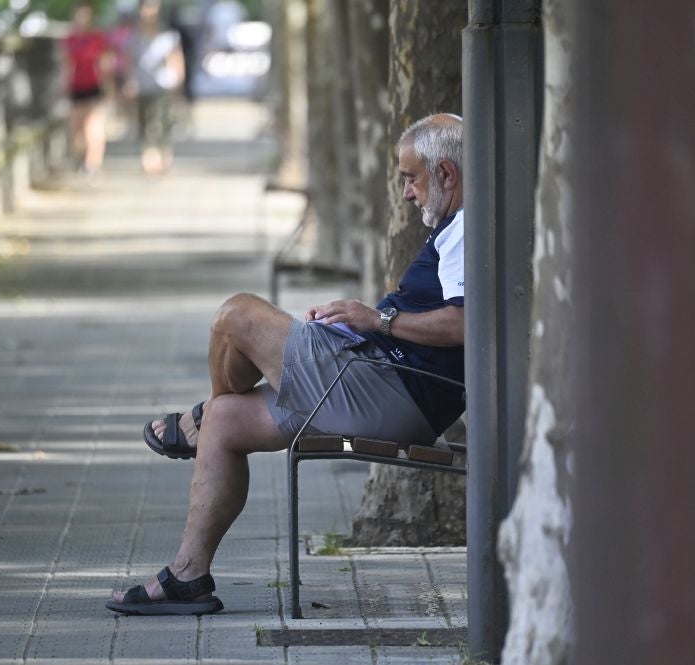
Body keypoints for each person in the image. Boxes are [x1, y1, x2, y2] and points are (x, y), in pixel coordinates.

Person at [106, 113, 466, 615]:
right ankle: (188, 576)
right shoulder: (458, 227)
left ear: (446, 174)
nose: (407, 192)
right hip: (372, 380)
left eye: (412, 177)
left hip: (390, 391)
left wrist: (378, 319)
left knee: (237, 315)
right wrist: (361, 322)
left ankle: (201, 415)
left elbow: (467, 324)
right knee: (229, 423)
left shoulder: (470, 229)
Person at [123, 0, 185, 175]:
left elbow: (176, 60)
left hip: (162, 86)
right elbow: (130, 61)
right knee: (144, 123)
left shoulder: (168, 36)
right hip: (142, 86)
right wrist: (130, 82)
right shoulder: (134, 37)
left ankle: (162, 156)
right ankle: (148, 157)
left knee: (160, 123)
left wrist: (178, 83)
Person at [64, 2, 111, 174]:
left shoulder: (97, 38)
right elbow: (65, 64)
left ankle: (93, 164)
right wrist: (64, 86)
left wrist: (108, 87)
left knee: (94, 127)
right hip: (76, 87)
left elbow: (104, 64)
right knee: (76, 130)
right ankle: (81, 159)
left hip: (94, 87)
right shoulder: (70, 40)